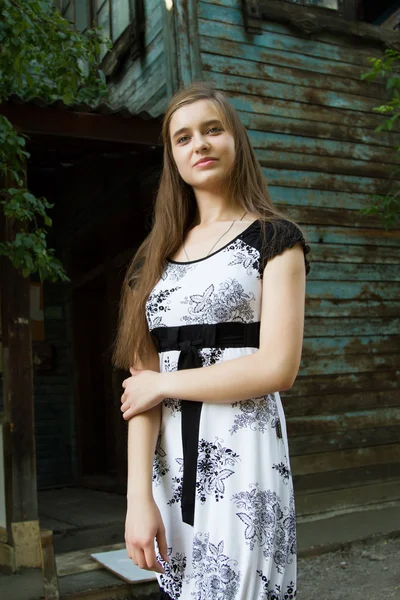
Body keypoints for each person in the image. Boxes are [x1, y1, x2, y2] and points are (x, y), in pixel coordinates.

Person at [113, 82, 311, 600]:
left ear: (235, 141)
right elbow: (141, 391)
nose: (198, 144)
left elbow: (278, 367)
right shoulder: (149, 261)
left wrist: (164, 383)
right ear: (172, 157)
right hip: (169, 471)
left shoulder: (275, 239)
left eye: (212, 129)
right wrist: (138, 499)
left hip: (245, 460)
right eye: (183, 137)